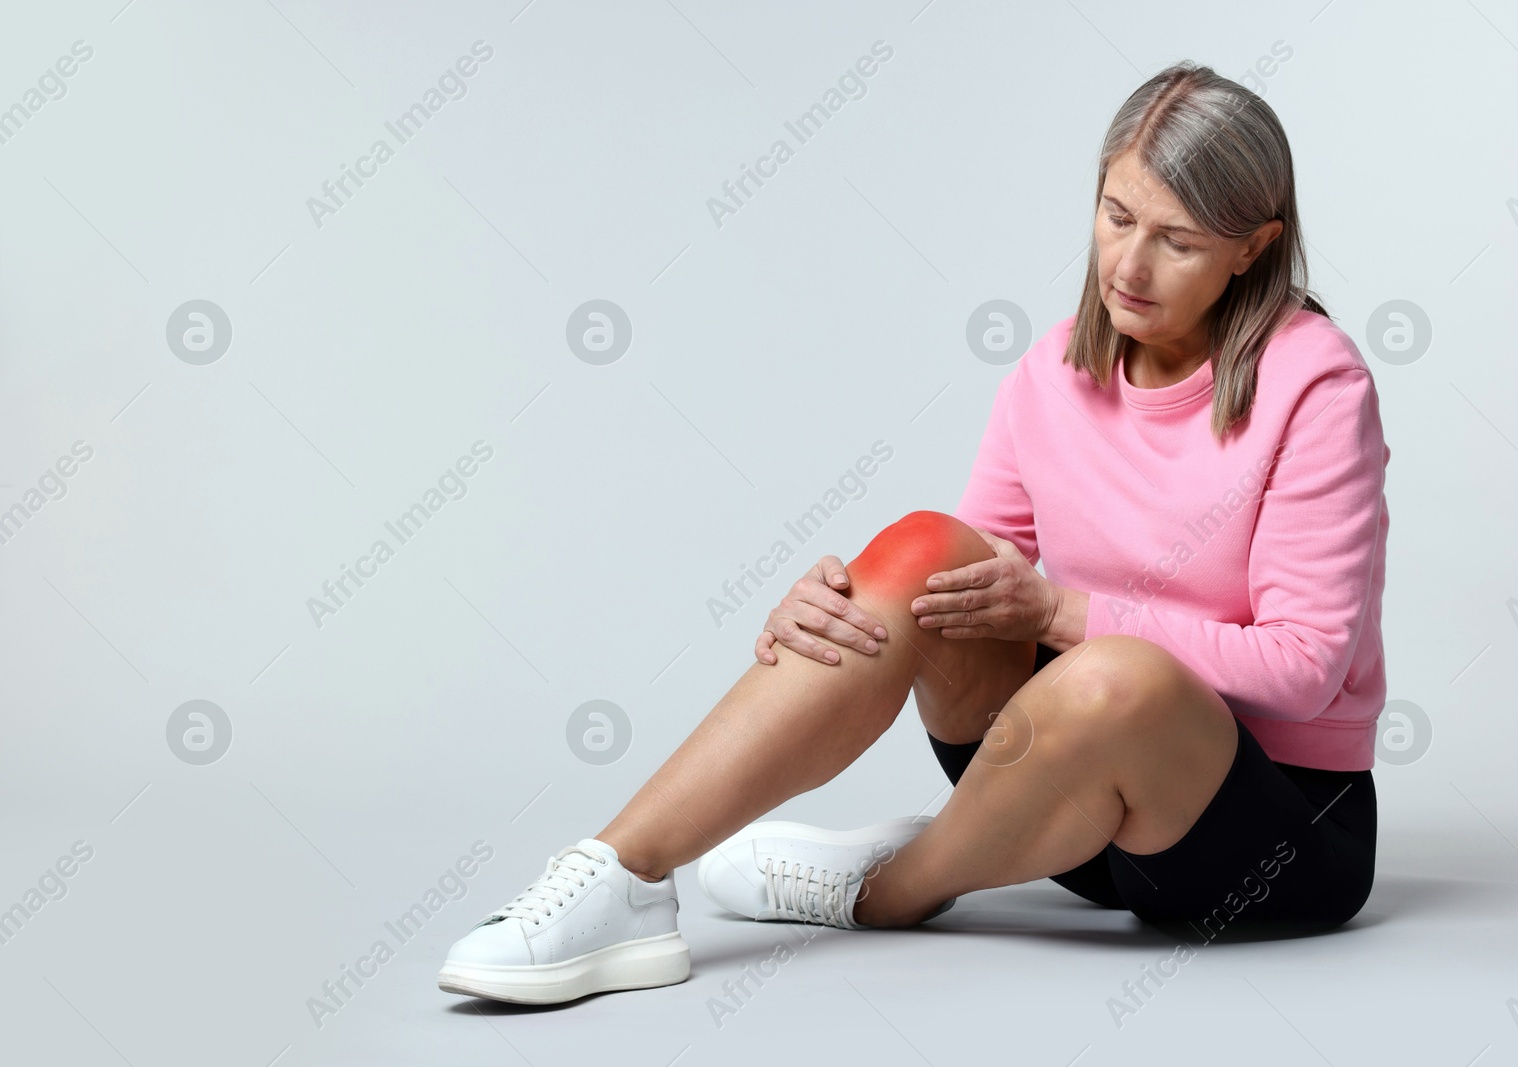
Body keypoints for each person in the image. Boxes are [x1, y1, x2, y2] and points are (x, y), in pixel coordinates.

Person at [437, 59, 1389, 1006]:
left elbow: (1304, 670)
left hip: (1264, 838)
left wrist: (1065, 611)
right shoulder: (1052, 368)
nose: (1128, 267)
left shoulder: (1316, 384)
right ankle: (620, 875)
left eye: (1176, 241)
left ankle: (891, 886)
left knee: (1115, 674)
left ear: (1253, 248)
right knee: (925, 547)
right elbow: (965, 596)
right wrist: (846, 601)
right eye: (1117, 215)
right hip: (1072, 805)